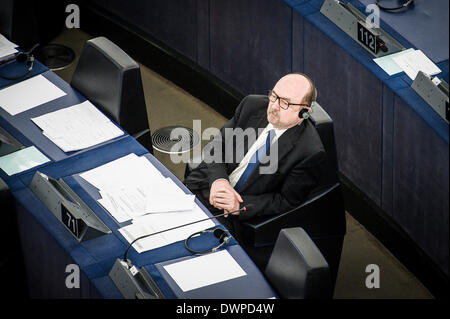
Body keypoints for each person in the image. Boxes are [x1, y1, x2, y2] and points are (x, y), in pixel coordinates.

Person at [184, 73, 325, 239]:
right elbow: (218, 144)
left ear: (304, 112)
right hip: (206, 184)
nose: (274, 106)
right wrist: (218, 180)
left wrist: (239, 205)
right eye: (274, 95)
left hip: (234, 213)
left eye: (285, 103)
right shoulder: (252, 105)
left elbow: (286, 200)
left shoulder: (309, 151)